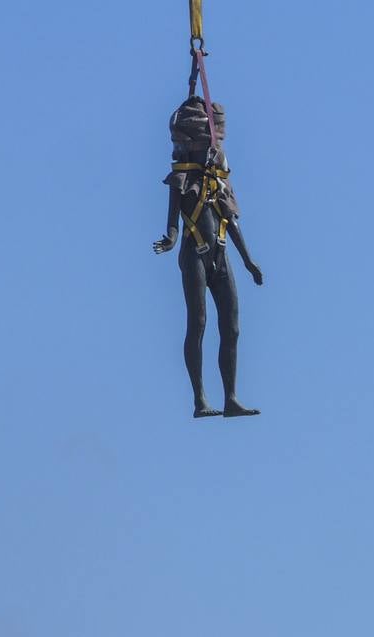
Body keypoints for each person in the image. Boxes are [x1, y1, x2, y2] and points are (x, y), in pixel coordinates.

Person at [153, 95, 264, 418]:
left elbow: (231, 223)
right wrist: (170, 240)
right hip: (195, 254)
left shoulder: (219, 183)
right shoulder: (181, 180)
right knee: (198, 322)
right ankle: (200, 399)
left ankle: (231, 397)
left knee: (231, 327)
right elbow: (173, 226)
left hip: (222, 253)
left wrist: (248, 261)